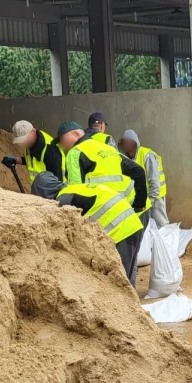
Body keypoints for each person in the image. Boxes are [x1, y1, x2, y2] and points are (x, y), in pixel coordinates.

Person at [58, 120, 149, 281]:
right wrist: (138, 206)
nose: (61, 145)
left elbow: (75, 196)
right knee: (127, 271)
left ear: (75, 134)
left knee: (113, 276)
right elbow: (138, 171)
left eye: (61, 140)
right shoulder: (107, 149)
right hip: (127, 215)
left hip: (107, 221)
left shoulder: (75, 152)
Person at [31, 173, 143, 281]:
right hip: (132, 222)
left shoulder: (63, 200)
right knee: (127, 275)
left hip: (121, 229)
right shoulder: (73, 189)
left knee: (119, 280)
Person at [119, 129, 169, 227]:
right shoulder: (127, 159)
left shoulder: (147, 155)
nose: (124, 145)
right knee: (147, 227)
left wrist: (151, 200)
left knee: (161, 225)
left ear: (133, 142)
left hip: (155, 198)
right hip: (142, 200)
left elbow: (154, 180)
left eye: (127, 142)